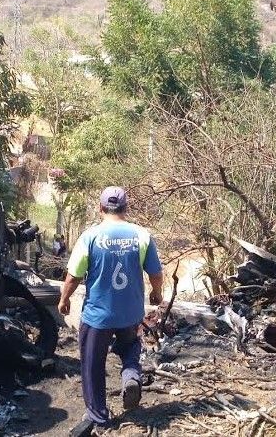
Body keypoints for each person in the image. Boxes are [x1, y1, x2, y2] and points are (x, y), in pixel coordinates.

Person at [58, 186, 163, 435]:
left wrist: (64, 299)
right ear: (126, 208)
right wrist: (156, 293)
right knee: (130, 346)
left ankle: (98, 416)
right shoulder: (141, 235)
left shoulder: (90, 237)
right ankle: (131, 376)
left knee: (93, 364)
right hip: (130, 313)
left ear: (101, 208)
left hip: (98, 316)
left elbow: (73, 276)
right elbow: (156, 273)